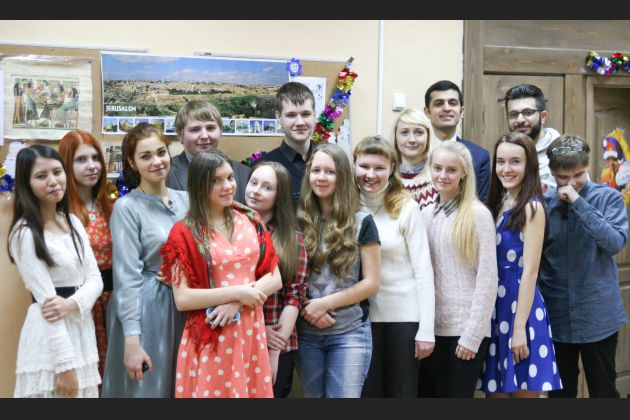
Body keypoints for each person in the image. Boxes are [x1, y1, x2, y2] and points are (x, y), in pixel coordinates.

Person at [160, 149, 282, 398]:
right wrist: (236, 293)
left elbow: (275, 278)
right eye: (216, 180)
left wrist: (237, 302)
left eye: (229, 177)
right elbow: (183, 299)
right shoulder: (183, 232)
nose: (227, 186)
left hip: (250, 332)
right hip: (212, 334)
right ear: (199, 185)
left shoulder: (251, 219)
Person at [7, 144, 103, 397]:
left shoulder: (73, 222)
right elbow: (48, 305)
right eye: (41, 176)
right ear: (26, 184)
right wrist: (65, 366)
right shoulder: (24, 233)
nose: (53, 181)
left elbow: (95, 280)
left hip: (80, 327)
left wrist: (72, 304)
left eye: (57, 172)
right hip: (50, 339)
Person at [101, 123, 189, 398]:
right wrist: (131, 338)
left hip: (185, 305)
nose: (157, 161)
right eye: (146, 156)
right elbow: (126, 277)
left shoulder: (187, 201)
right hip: (145, 309)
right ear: (132, 162)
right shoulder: (127, 208)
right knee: (147, 389)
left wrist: (183, 275)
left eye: (161, 152)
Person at [539, 134, 628, 398]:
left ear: (587, 166)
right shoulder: (543, 204)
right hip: (556, 318)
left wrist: (579, 203)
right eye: (562, 177)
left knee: (603, 393)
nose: (570, 183)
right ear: (552, 173)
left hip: (598, 317)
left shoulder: (609, 198)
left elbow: (614, 243)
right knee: (559, 397)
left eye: (578, 175)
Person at [295, 142, 381, 398]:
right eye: (316, 170)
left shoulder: (362, 221)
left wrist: (323, 304)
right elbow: (286, 275)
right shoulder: (296, 219)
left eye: (330, 172)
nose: (321, 177)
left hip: (349, 333)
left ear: (342, 176)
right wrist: (308, 307)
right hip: (306, 333)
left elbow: (371, 282)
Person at [480, 132, 562, 397]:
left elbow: (530, 272)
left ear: (529, 166)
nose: (506, 169)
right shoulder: (497, 204)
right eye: (500, 161)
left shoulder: (531, 208)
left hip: (521, 310)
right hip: (495, 307)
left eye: (515, 161)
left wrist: (518, 329)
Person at [353, 136, 434, 398]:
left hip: (404, 320)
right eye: (364, 166)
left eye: (379, 167)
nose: (370, 174)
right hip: (362, 320)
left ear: (392, 168)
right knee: (368, 394)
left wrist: (426, 329)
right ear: (354, 165)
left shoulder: (407, 207)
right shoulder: (347, 206)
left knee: (401, 394)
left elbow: (423, 271)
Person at [419, 141, 497, 397]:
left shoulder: (477, 214)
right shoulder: (426, 213)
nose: (443, 175)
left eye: (451, 170)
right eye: (437, 168)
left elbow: (487, 278)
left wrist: (473, 335)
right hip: (432, 330)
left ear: (464, 173)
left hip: (464, 330)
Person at [244, 161, 308, 397]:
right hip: (239, 336)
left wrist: (274, 348)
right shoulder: (230, 230)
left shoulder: (292, 239)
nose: (256, 191)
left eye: (267, 187)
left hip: (277, 344)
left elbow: (295, 294)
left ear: (279, 196)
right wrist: (258, 329)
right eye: (253, 183)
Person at [59, 130, 114, 385]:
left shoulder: (110, 206)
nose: (92, 166)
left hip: (112, 302)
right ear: (66, 165)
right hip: (78, 304)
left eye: (95, 158)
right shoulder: (59, 213)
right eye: (81, 160)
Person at [167, 100, 250, 203]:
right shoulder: (166, 174)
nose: (204, 136)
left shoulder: (244, 174)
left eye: (210, 128)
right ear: (180, 135)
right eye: (195, 129)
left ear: (220, 131)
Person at [424, 80, 491, 202]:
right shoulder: (415, 152)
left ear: (462, 111)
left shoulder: (479, 156)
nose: (446, 108)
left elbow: (482, 203)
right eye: (439, 103)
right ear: (427, 112)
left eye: (452, 103)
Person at [260, 82, 317, 205]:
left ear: (314, 114)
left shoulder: (330, 162)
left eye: (306, 114)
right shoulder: (264, 167)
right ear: (278, 117)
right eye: (291, 115)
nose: (300, 122)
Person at [504, 83, 561, 193]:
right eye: (513, 114)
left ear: (543, 117)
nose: (520, 120)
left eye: (528, 112)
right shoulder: (505, 155)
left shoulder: (564, 151)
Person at [393, 108, 439, 209]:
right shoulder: (385, 180)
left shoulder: (440, 180)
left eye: (419, 132)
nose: (412, 140)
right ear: (395, 138)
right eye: (404, 132)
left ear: (428, 137)